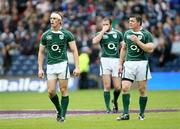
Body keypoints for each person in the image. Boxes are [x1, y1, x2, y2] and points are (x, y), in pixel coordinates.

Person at [38, 11, 80, 122]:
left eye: (55, 18)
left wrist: (77, 67)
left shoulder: (67, 34)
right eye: (51, 18)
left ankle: (62, 116)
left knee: (63, 90)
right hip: (50, 65)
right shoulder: (46, 35)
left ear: (60, 21)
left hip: (62, 64)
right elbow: (41, 52)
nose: (52, 20)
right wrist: (40, 68)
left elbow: (74, 50)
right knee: (51, 92)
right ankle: (59, 109)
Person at [117, 15, 154, 121]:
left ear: (139, 22)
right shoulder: (127, 33)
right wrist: (120, 63)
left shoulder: (146, 34)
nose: (130, 23)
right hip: (129, 63)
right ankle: (125, 114)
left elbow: (150, 48)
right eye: (129, 21)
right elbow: (124, 48)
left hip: (142, 63)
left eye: (132, 21)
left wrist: (138, 41)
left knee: (142, 90)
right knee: (124, 87)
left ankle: (141, 114)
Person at [92, 17, 123, 113]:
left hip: (116, 60)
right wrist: (102, 31)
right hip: (105, 60)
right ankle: (107, 108)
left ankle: (115, 100)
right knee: (107, 86)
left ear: (111, 24)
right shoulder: (99, 34)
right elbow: (94, 42)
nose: (105, 26)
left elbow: (123, 47)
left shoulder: (118, 34)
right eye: (103, 24)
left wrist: (122, 61)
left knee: (118, 87)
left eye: (107, 24)